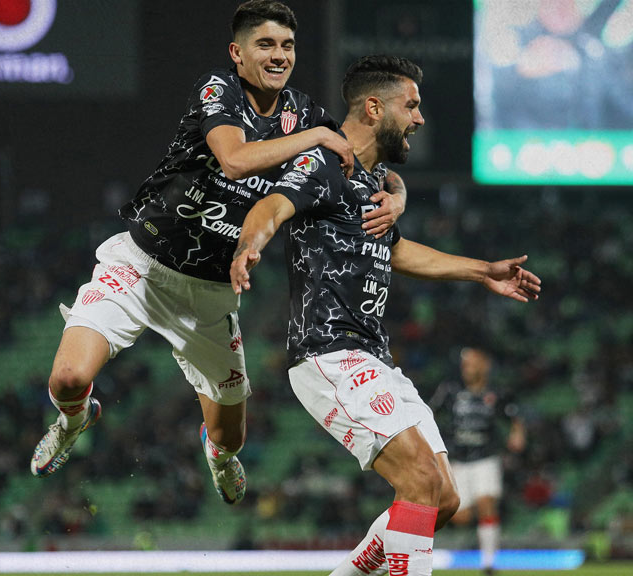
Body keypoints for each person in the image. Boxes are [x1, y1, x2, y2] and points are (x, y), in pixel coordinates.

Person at [29, 1, 408, 508]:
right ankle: (74, 419)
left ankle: (219, 456)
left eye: (288, 45)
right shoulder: (220, 89)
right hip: (141, 265)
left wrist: (397, 194)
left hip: (209, 295)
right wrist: (317, 136)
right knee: (69, 378)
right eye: (266, 44)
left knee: (232, 437)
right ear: (238, 53)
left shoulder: (303, 113)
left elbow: (366, 153)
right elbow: (233, 160)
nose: (279, 55)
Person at [230, 54, 542, 576]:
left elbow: (396, 251)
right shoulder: (322, 161)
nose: (420, 118)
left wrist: (483, 271)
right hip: (329, 351)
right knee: (418, 479)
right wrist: (249, 245)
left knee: (444, 499)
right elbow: (272, 208)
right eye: (411, 105)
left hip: (371, 356)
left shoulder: (371, 180)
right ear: (374, 107)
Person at [429, 347, 525, 576]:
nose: (466, 369)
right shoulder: (450, 391)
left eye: (471, 364)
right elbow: (429, 412)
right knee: (459, 516)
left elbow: (514, 417)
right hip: (457, 461)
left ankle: (489, 564)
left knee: (486, 502)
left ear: (485, 366)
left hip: (486, 457)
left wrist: (517, 433)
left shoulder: (497, 393)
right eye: (464, 365)